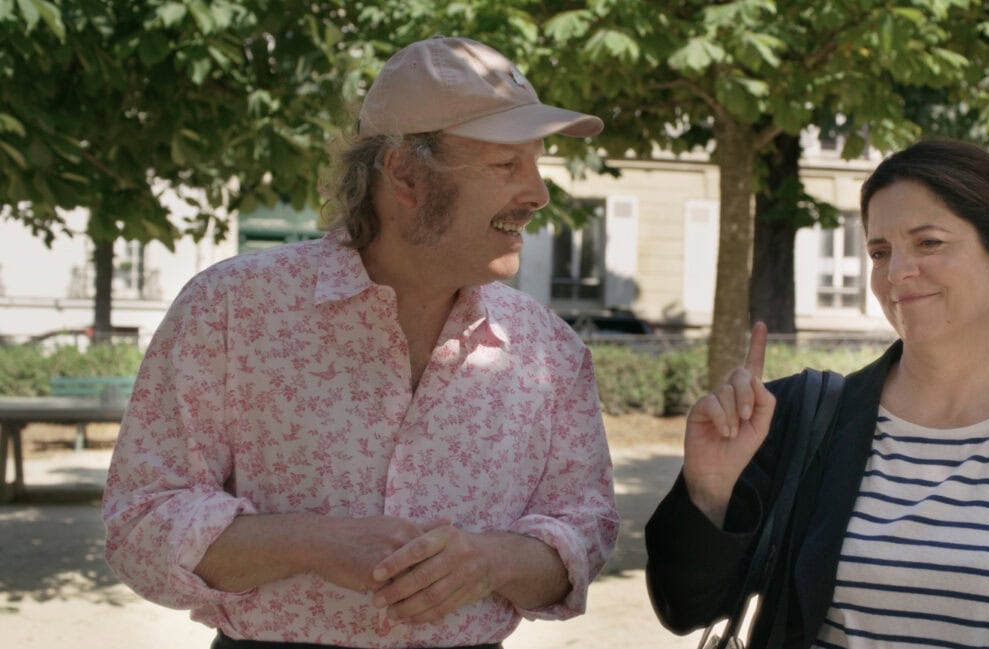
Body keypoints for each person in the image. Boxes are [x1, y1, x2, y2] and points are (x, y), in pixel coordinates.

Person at [103, 36, 619, 649]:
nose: (538, 194)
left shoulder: (548, 351)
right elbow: (141, 524)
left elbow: (585, 531)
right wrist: (311, 543)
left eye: (537, 163)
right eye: (506, 165)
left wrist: (492, 562)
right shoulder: (232, 310)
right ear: (404, 174)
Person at [645, 139, 989, 648]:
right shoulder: (796, 418)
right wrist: (709, 493)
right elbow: (684, 607)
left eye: (929, 243)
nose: (897, 273)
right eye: (880, 252)